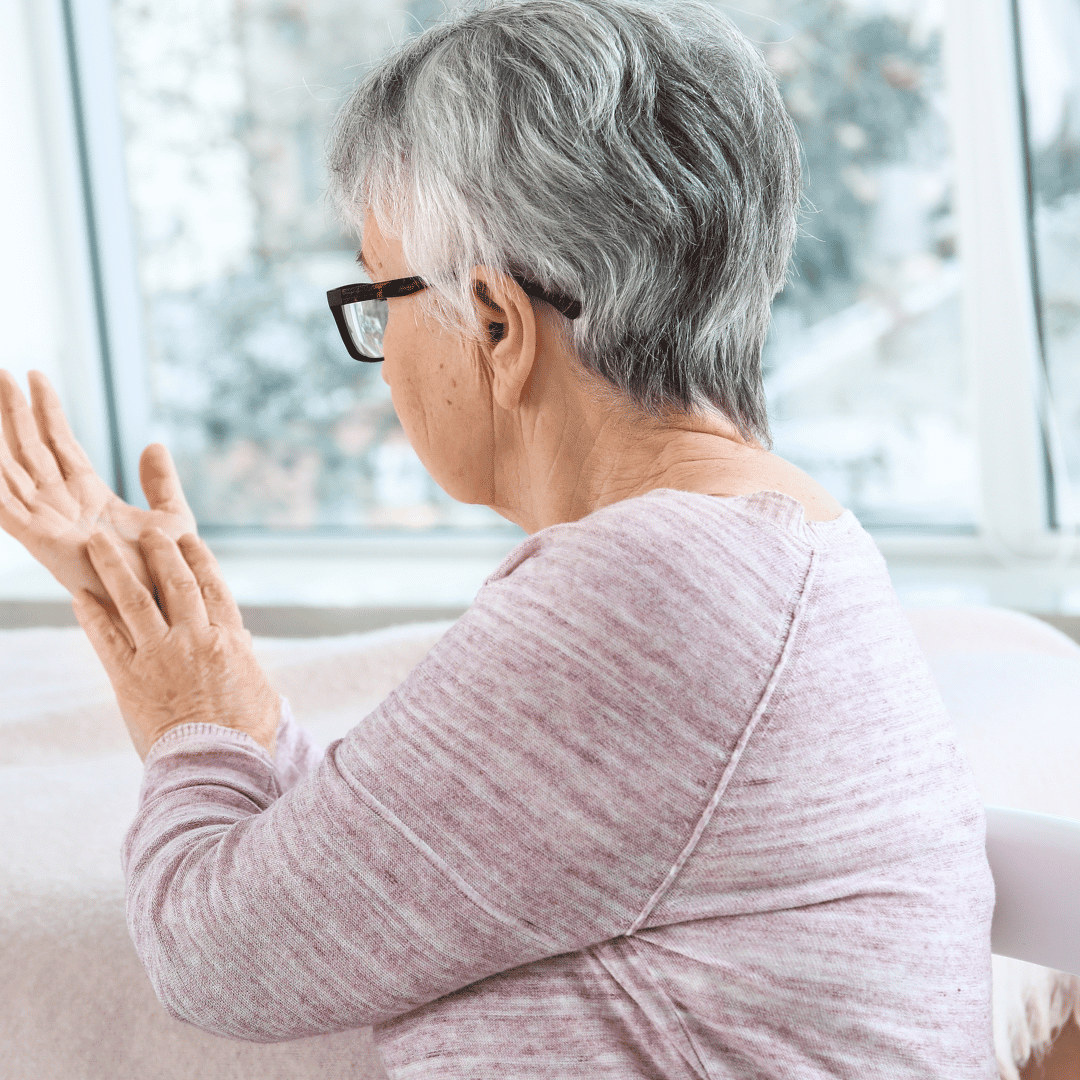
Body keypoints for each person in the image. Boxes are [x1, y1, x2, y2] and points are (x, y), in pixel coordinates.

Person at [0, 1, 996, 1076]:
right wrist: (199, 665)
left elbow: (217, 956)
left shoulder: (656, 589)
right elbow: (367, 872)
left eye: (379, 296)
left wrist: (185, 699)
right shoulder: (772, 550)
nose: (381, 358)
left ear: (498, 325)